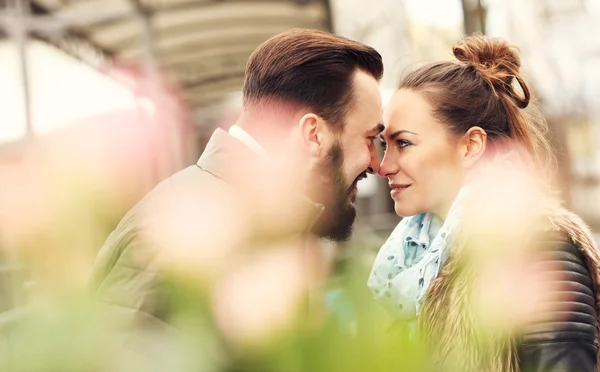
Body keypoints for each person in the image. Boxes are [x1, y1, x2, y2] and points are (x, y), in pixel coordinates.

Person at [89, 28, 385, 330]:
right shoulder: (182, 231)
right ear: (313, 135)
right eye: (370, 138)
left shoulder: (249, 216)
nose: (377, 164)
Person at [368, 34, 600, 372]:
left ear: (471, 146)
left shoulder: (540, 247)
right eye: (385, 145)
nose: (384, 166)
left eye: (404, 143)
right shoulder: (409, 261)